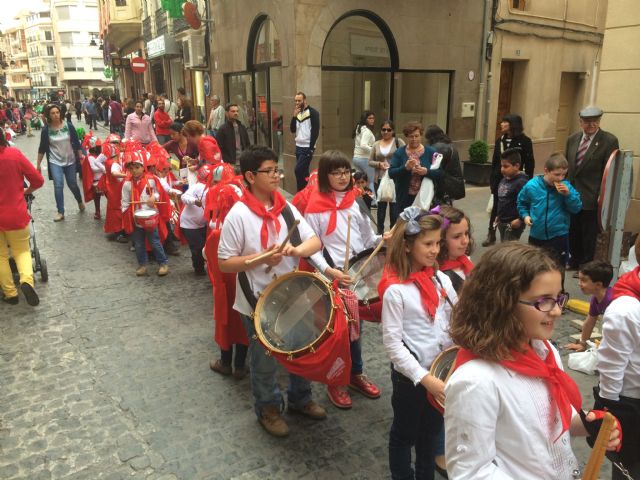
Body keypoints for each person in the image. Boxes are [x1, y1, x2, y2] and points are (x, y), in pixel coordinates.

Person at [445, 242, 620, 479]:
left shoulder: (544, 350)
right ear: (502, 303)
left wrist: (588, 425)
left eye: (559, 298)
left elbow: (554, 419)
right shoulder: (476, 381)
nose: (558, 311)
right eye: (544, 301)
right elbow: (471, 472)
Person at [217, 145, 326, 438]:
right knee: (264, 361)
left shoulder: (286, 207)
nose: (277, 175)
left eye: (277, 169)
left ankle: (301, 398)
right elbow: (224, 263)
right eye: (270, 171)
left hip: (292, 293)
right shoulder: (238, 216)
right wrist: (260, 258)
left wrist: (296, 249)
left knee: (301, 349)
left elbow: (314, 241)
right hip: (256, 299)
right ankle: (268, 408)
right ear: (250, 176)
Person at [379, 206, 457, 480]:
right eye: (428, 243)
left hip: (440, 375)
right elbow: (393, 345)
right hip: (411, 379)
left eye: (438, 242)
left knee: (431, 433)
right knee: (404, 435)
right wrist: (424, 378)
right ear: (408, 245)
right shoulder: (396, 291)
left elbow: (455, 320)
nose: (435, 249)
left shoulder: (441, 280)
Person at [303, 150, 382, 410]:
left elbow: (368, 237)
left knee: (355, 328)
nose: (342, 176)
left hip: (357, 273)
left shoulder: (354, 200)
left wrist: (383, 243)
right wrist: (328, 271)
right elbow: (311, 248)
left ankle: (355, 373)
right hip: (332, 276)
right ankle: (335, 380)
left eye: (346, 171)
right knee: (336, 332)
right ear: (325, 175)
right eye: (335, 172)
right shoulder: (314, 207)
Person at [595, 236, 640, 480]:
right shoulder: (626, 309)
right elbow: (611, 368)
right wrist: (611, 417)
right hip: (631, 406)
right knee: (629, 470)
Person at [204, 164, 249, 379]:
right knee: (243, 324)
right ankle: (240, 366)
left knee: (225, 325)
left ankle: (225, 363)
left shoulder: (216, 234)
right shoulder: (249, 228)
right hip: (245, 288)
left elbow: (208, 258)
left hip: (224, 289)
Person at [517, 153, 582, 291]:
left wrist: (568, 196)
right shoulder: (532, 186)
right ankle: (536, 294)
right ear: (546, 170)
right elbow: (521, 202)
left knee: (557, 268)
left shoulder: (567, 187)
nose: (560, 178)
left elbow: (576, 208)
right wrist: (525, 216)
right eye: (557, 174)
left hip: (559, 235)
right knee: (535, 268)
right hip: (537, 235)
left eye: (563, 175)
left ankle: (558, 296)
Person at [566, 106, 620, 269]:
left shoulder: (609, 140)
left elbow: (610, 170)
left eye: (595, 121)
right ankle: (574, 260)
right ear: (580, 122)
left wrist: (603, 195)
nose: (592, 124)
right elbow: (568, 166)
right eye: (588, 121)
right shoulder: (572, 139)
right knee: (572, 229)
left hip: (592, 194)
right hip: (571, 194)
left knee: (589, 233)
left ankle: (586, 264)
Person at [0, 132, 44, 306]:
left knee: (1, 256)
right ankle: (26, 281)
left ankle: (10, 293)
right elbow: (38, 180)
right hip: (15, 213)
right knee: (22, 251)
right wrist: (26, 192)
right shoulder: (14, 154)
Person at [483, 113, 535, 246]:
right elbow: (495, 162)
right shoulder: (500, 140)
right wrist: (493, 180)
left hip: (516, 181)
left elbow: (529, 162)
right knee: (496, 207)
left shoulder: (524, 141)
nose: (502, 124)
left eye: (505, 122)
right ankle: (492, 233)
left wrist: (528, 181)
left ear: (513, 125)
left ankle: (513, 230)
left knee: (514, 205)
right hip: (500, 180)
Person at [121, 149, 170, 277]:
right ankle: (142, 265)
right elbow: (124, 202)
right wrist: (127, 216)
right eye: (132, 168)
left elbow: (159, 193)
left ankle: (163, 263)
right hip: (136, 218)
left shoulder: (151, 180)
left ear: (143, 167)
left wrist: (154, 197)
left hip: (150, 217)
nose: (134, 170)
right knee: (138, 243)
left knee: (154, 240)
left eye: (137, 167)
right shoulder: (127, 184)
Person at [36, 104, 85, 222]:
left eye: (57, 112)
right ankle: (60, 211)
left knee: (72, 184)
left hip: (70, 160)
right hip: (54, 161)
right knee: (58, 184)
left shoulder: (69, 126)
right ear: (49, 115)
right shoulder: (46, 130)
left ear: (60, 113)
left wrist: (81, 158)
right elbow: (42, 148)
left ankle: (79, 201)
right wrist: (38, 165)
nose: (55, 115)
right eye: (52, 113)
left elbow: (77, 144)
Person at [388, 121, 440, 214]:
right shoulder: (400, 152)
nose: (414, 139)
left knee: (422, 225)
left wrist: (426, 172)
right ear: (406, 137)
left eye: (416, 136)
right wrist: (405, 168)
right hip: (404, 197)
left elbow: (440, 173)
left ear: (421, 136)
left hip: (424, 197)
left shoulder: (431, 152)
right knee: (403, 225)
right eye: (411, 136)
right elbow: (391, 173)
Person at [565, 259, 614, 352]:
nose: (579, 284)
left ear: (598, 285)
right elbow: (589, 322)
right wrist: (582, 344)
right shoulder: (596, 298)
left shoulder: (613, 301)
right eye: (579, 279)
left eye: (583, 280)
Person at [369, 120, 404, 234]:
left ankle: (393, 233)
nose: (386, 132)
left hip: (395, 178)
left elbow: (406, 157)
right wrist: (379, 164)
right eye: (383, 129)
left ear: (393, 131)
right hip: (379, 178)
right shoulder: (376, 144)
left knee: (394, 208)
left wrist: (394, 166)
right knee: (381, 208)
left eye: (388, 129)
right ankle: (380, 233)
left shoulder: (399, 142)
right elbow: (370, 161)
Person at [436, 205, 474, 295]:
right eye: (457, 236)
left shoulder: (465, 261)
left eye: (466, 233)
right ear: (440, 240)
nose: (465, 241)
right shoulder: (439, 276)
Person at [424, 125, 465, 206]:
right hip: (452, 184)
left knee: (439, 210)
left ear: (431, 137)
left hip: (442, 186)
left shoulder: (438, 147)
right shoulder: (450, 145)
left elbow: (433, 168)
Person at [179, 166, 209, 276]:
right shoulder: (198, 186)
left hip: (203, 224)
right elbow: (184, 197)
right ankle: (199, 269)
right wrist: (194, 201)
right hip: (189, 224)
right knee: (197, 248)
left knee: (204, 247)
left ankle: (203, 266)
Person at [98, 135, 128, 243]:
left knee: (119, 209)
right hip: (115, 189)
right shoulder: (113, 162)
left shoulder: (112, 160)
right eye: (115, 143)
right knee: (116, 210)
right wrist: (126, 176)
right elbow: (114, 173)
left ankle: (121, 230)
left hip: (115, 188)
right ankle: (119, 232)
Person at [496, 147, 529, 242]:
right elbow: (502, 200)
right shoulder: (504, 179)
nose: (502, 169)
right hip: (502, 221)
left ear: (517, 166)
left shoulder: (521, 182)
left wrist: (520, 219)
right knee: (504, 244)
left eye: (506, 166)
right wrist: (499, 215)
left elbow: (527, 203)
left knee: (508, 250)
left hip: (513, 223)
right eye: (501, 166)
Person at [290, 91, 320, 192]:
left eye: (299, 100)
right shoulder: (297, 113)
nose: (297, 103)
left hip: (307, 147)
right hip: (298, 146)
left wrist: (311, 148)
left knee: (298, 170)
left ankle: (300, 192)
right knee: (303, 172)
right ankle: (308, 192)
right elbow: (292, 130)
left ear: (305, 100)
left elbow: (315, 131)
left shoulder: (313, 113)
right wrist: (294, 117)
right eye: (295, 101)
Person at [352, 110, 376, 201]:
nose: (372, 120)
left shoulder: (359, 128)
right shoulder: (366, 131)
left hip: (356, 158)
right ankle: (373, 201)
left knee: (359, 181)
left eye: (373, 118)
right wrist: (374, 151)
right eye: (369, 118)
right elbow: (363, 145)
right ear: (365, 119)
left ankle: (359, 198)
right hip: (365, 159)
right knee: (370, 181)